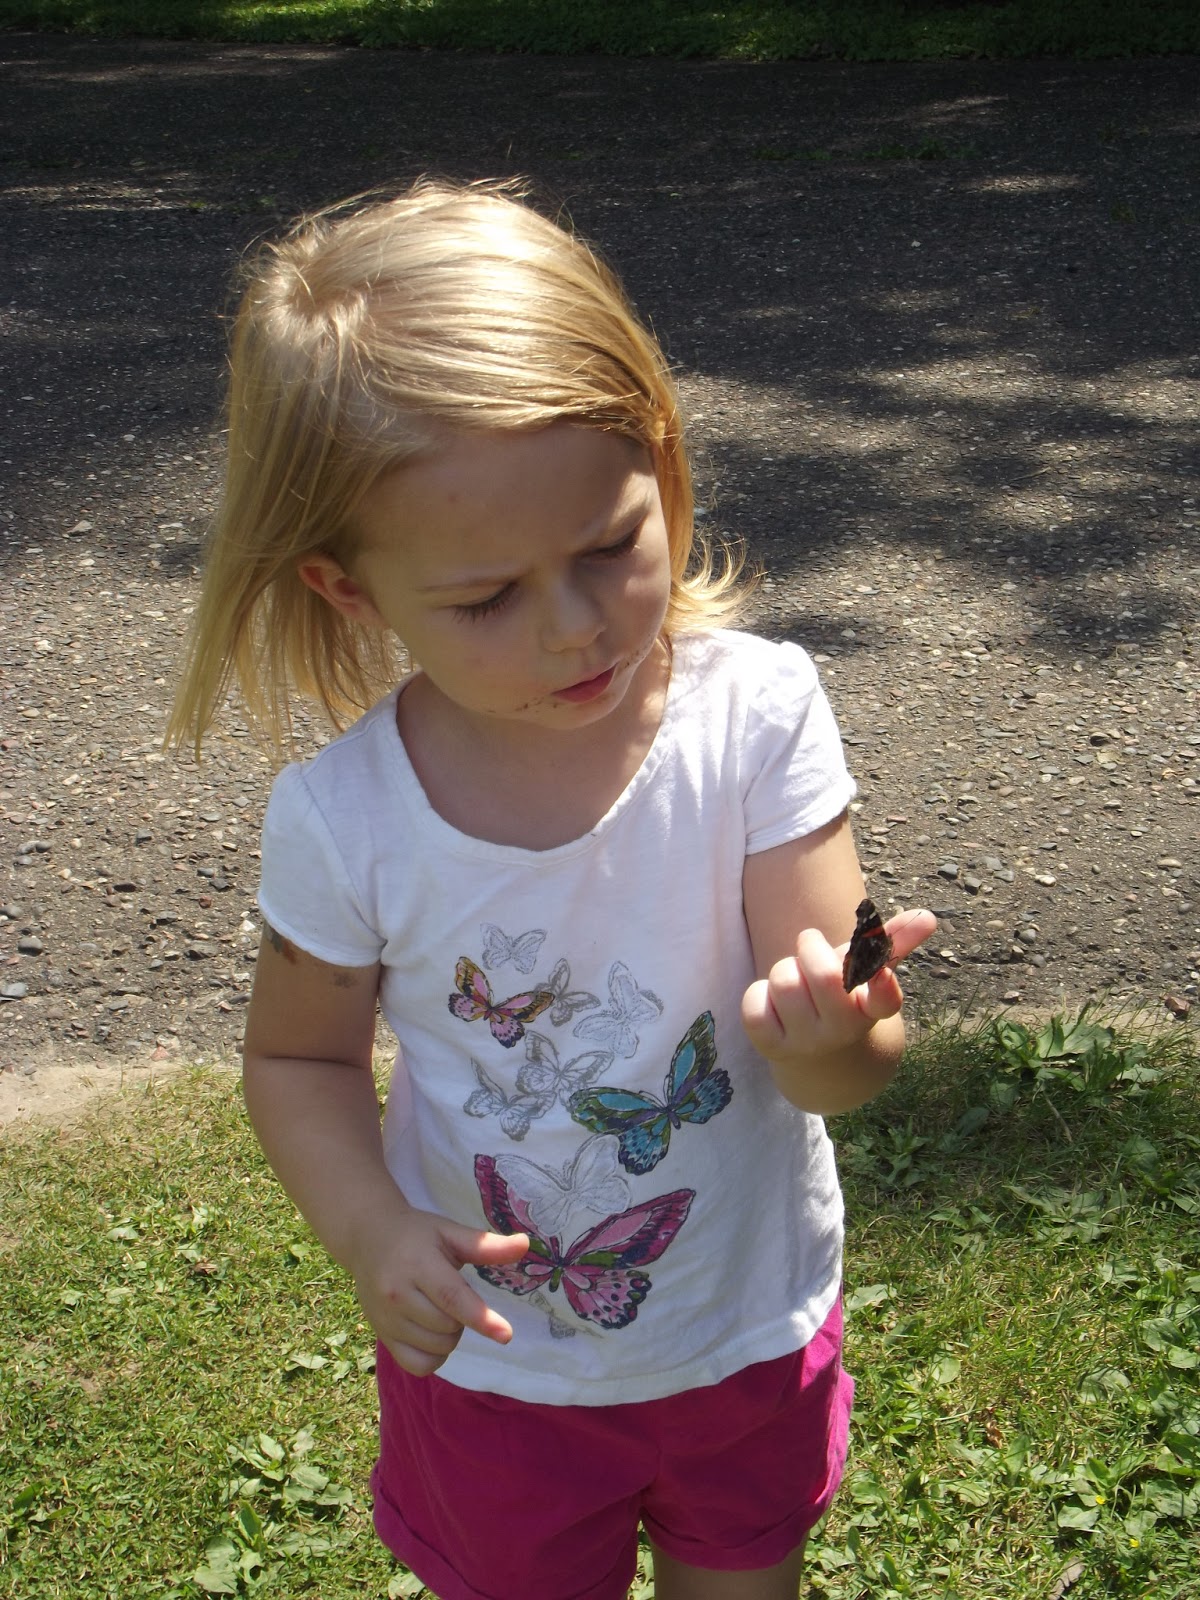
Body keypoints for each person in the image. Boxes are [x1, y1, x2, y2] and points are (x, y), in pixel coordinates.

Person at [170, 177, 936, 1600]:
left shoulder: (757, 716)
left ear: (660, 460)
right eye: (486, 598)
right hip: (497, 1367)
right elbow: (298, 1058)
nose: (575, 627)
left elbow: (847, 1066)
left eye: (608, 547)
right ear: (350, 589)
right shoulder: (347, 818)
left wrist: (835, 1033)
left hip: (740, 1326)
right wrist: (371, 1230)